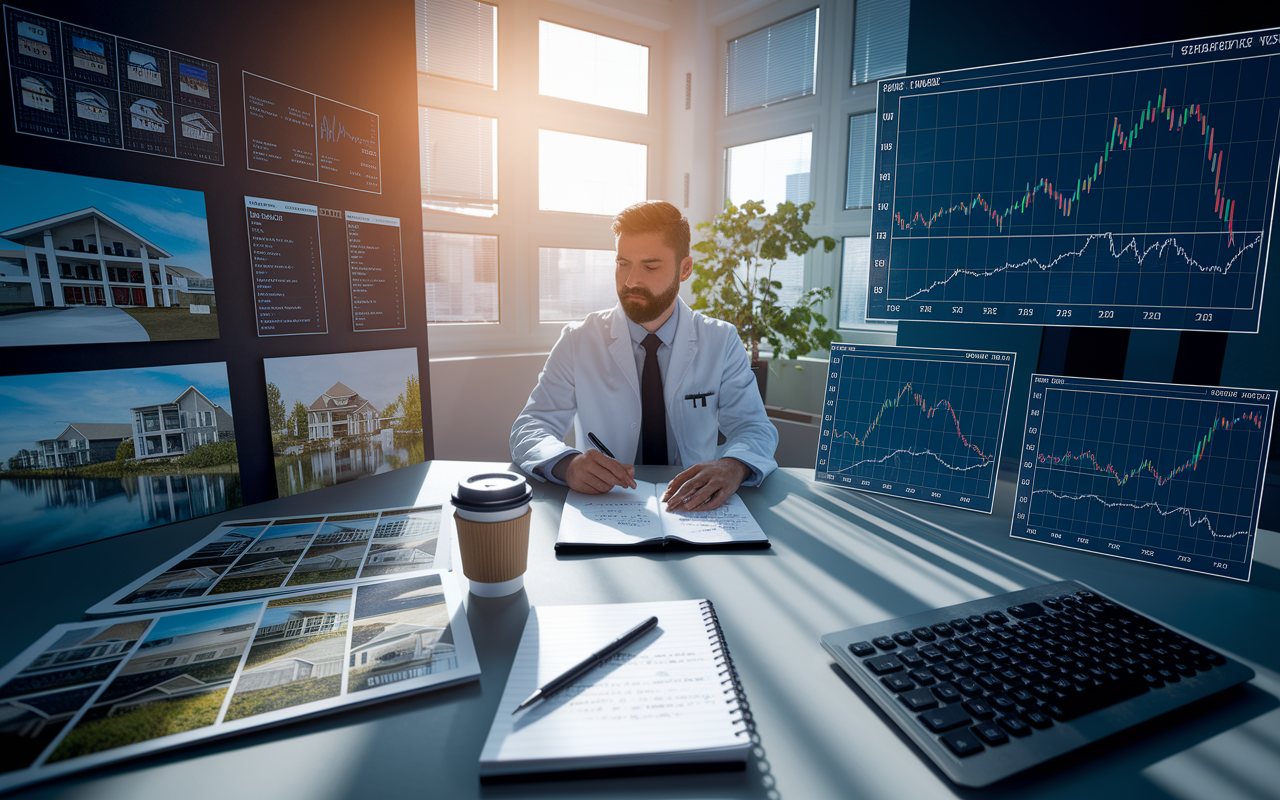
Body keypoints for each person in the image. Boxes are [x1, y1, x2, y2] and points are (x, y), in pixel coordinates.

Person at [510, 200, 777, 511]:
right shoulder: (578, 339)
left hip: (695, 507)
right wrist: (567, 464)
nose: (631, 280)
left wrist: (733, 466)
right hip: (606, 506)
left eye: (650, 266)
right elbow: (531, 426)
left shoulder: (720, 339)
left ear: (685, 268)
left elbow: (754, 427)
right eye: (623, 263)